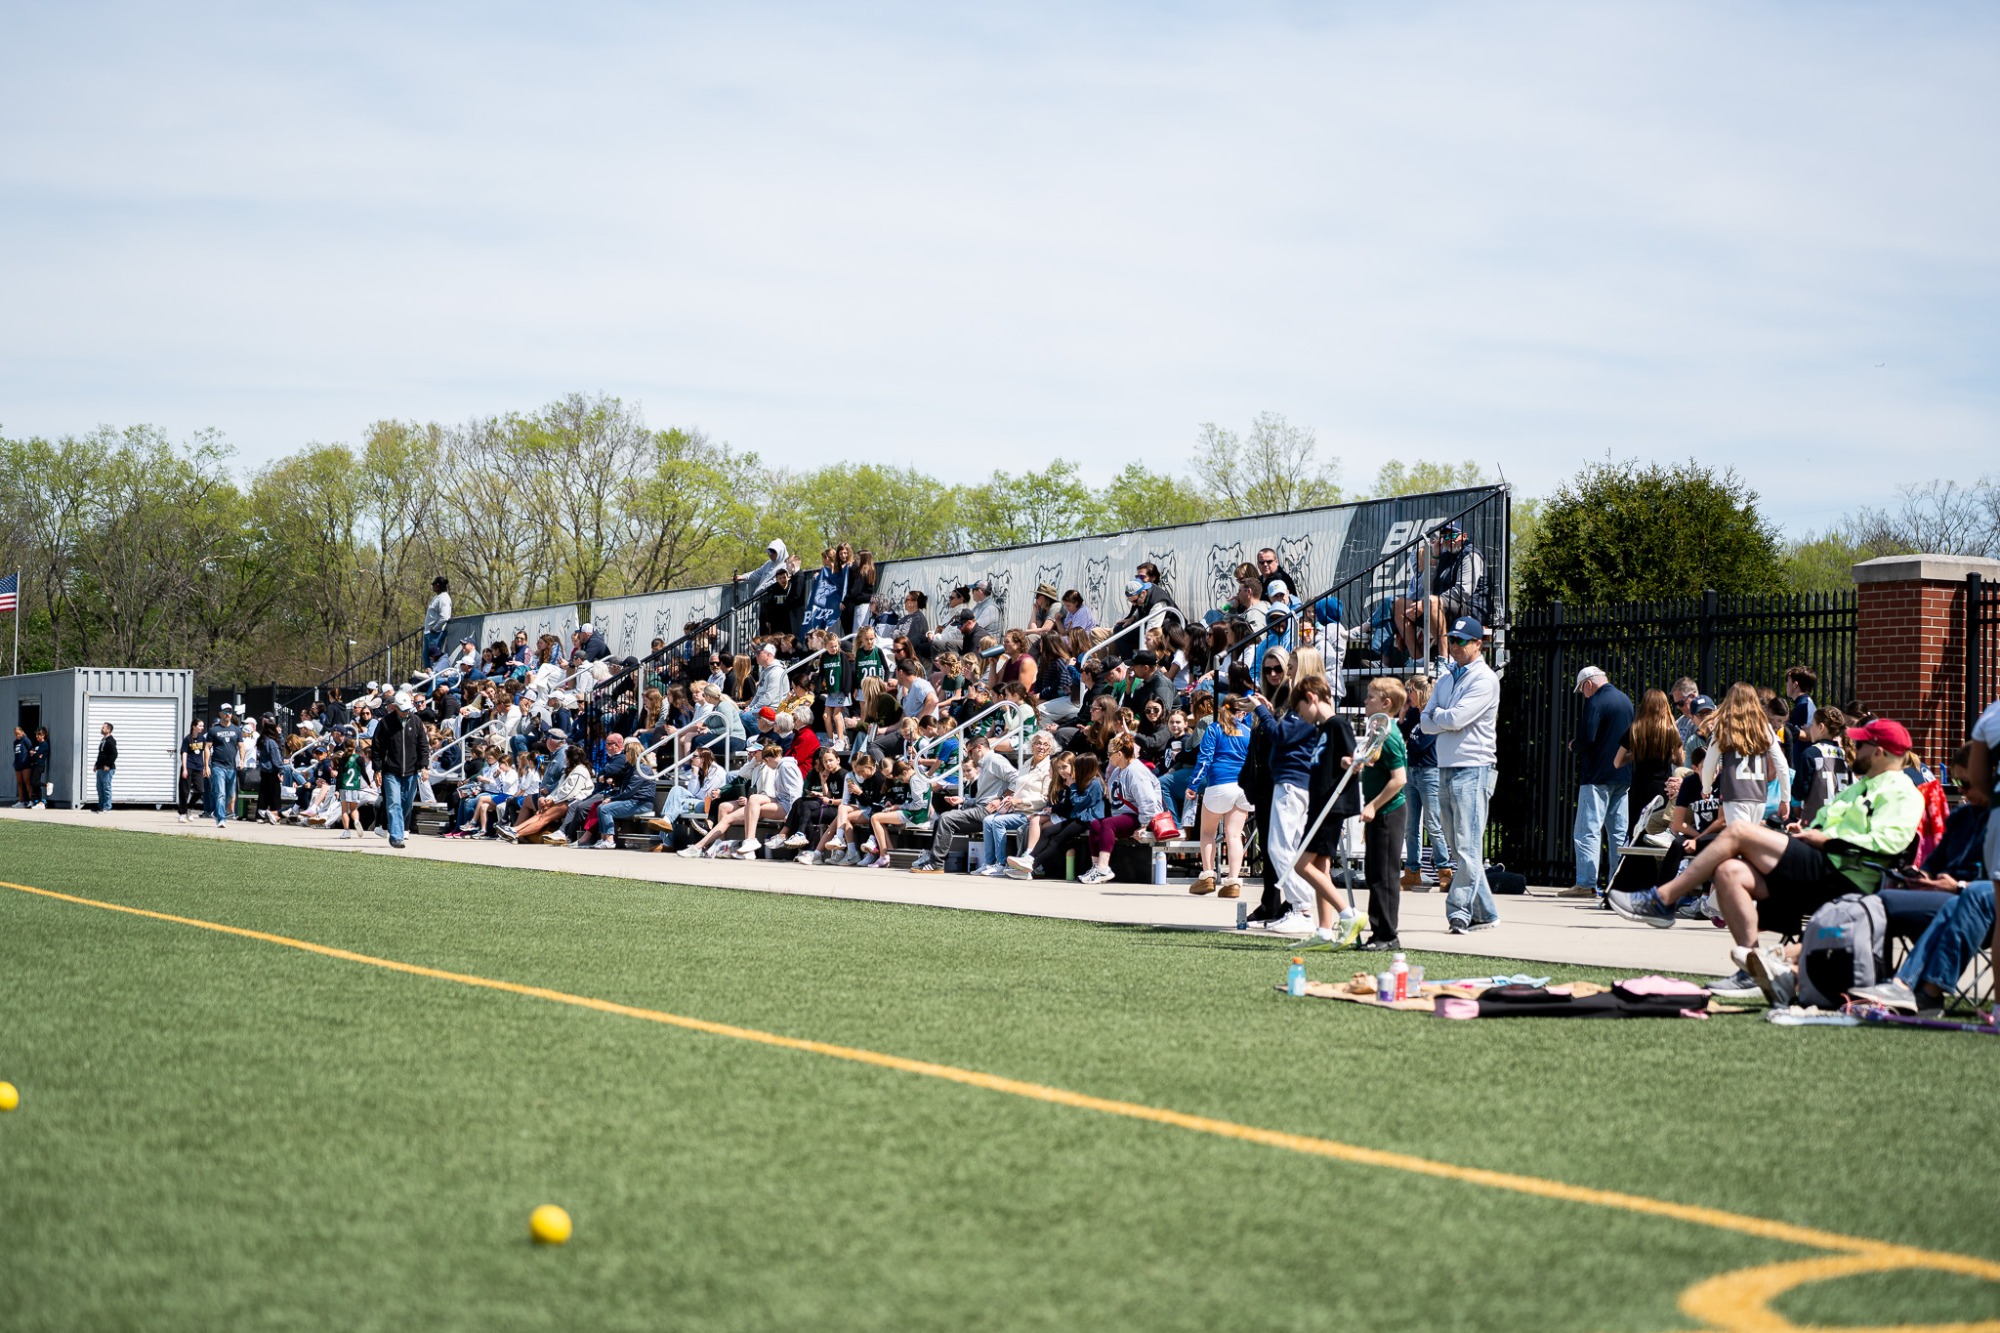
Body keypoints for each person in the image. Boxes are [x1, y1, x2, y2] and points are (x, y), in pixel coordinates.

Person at [1609, 718, 1923, 964]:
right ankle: (1752, 963)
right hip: (1819, 863)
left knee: (1739, 831)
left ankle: (1662, 900)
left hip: (1844, 873)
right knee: (1729, 872)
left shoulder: (1902, 791)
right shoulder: (1864, 784)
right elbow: (1828, 823)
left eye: (1862, 745)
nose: (1855, 750)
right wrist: (1806, 829)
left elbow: (1888, 843)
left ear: (1879, 752)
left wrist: (1825, 839)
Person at [1419, 616, 1501, 934]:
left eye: (1461, 641)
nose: (1454, 646)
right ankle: (1487, 913)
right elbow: (1426, 722)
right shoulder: (1446, 678)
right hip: (1447, 767)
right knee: (1459, 848)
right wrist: (1442, 717)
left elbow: (1453, 718)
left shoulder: (1484, 679)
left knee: (1466, 847)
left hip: (1474, 768)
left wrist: (1440, 715)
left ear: (1478, 644)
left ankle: (1459, 911)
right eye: (1452, 640)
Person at [1353, 678, 1410, 950]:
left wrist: (1373, 805)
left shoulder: (1390, 736)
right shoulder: (1378, 732)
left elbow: (1399, 779)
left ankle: (1387, 935)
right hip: (1381, 813)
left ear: (1386, 703)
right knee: (1374, 872)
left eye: (1371, 697)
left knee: (1384, 875)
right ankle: (1378, 933)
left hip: (1389, 812)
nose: (1366, 701)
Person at [1567, 666, 1632, 898]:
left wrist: (1575, 745)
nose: (1583, 694)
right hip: (1622, 775)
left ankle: (1586, 883)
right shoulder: (1625, 701)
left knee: (1588, 830)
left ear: (1589, 684)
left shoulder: (1595, 702)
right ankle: (1618, 882)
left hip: (1596, 775)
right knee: (1619, 832)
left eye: (1582, 689)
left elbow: (1588, 738)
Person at [909, 734, 1014, 873]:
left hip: (990, 811)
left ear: (979, 748)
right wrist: (964, 800)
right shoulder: (985, 764)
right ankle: (931, 857)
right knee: (941, 819)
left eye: (970, 752)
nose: (969, 756)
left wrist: (1001, 799)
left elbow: (1017, 779)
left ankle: (936, 864)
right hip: (982, 808)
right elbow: (985, 798)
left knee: (947, 819)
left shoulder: (995, 759)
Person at [1399, 674, 1451, 893]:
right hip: (1411, 771)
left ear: (1419, 692)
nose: (1408, 694)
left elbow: (1419, 743)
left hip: (1430, 772)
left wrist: (1408, 742)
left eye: (1410, 690)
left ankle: (1444, 870)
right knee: (1411, 826)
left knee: (1432, 823)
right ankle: (1412, 871)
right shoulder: (1412, 714)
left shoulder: (1433, 715)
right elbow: (1402, 736)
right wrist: (1402, 717)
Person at [373, 691, 429, 849]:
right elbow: (377, 748)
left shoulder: (416, 721)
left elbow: (423, 746)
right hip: (391, 771)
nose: (405, 712)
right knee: (394, 803)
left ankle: (394, 825)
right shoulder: (385, 723)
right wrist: (377, 769)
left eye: (407, 709)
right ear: (395, 707)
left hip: (411, 771)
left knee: (406, 804)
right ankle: (397, 836)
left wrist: (424, 766)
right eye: (402, 709)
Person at [207, 704, 244, 827]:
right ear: (220, 713)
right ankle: (221, 819)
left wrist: (242, 760)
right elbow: (207, 748)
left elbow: (241, 746)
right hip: (217, 765)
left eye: (230, 711)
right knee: (220, 792)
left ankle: (217, 812)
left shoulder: (237, 730)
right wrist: (206, 765)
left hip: (231, 767)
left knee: (230, 794)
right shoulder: (214, 730)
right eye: (225, 711)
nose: (228, 714)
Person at [176, 717, 208, 822]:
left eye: (202, 726)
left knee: (200, 790)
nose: (202, 728)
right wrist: (184, 768)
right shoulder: (187, 739)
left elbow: (204, 752)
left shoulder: (202, 738)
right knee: (184, 791)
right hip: (188, 766)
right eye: (200, 726)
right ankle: (182, 813)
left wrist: (205, 766)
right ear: (194, 726)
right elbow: (184, 753)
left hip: (198, 767)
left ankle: (189, 808)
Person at [424, 576, 453, 666]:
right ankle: (428, 676)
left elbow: (445, 617)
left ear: (438, 585)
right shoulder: (437, 597)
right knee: (425, 656)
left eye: (434, 584)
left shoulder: (444, 598)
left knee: (434, 658)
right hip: (429, 632)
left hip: (436, 633)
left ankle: (434, 676)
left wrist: (435, 628)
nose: (432, 586)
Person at [91, 721, 117, 812]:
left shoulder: (110, 741)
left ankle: (107, 806)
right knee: (99, 787)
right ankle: (101, 805)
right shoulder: (103, 740)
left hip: (107, 769)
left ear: (108, 730)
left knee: (106, 787)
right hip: (100, 768)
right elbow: (101, 754)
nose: (102, 729)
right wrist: (96, 765)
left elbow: (114, 754)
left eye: (103, 728)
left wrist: (108, 765)